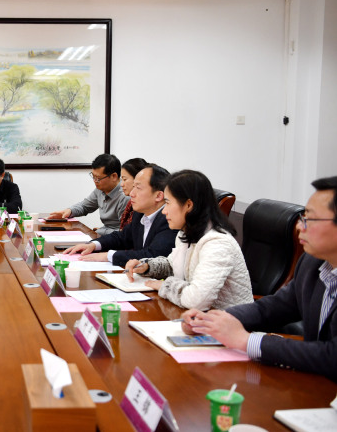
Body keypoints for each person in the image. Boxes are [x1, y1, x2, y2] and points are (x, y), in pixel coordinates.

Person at [182, 176, 337, 381]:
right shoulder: (312, 263)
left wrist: (247, 341)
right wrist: (214, 320)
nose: (300, 227)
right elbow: (274, 307)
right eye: (303, 217)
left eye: (311, 219)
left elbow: (332, 356)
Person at [125, 170, 253, 310]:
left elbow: (196, 300)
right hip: (200, 316)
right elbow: (173, 265)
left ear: (188, 205)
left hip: (230, 320)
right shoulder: (186, 233)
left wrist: (164, 285)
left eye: (167, 203)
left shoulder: (218, 244)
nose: (164, 211)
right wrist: (147, 266)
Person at [65, 164, 177, 265]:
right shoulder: (140, 214)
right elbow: (122, 237)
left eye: (138, 188)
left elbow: (153, 255)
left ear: (158, 196)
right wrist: (93, 245)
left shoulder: (169, 219)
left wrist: (108, 256)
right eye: (133, 187)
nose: (132, 193)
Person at [48, 153, 129, 235]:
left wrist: (102, 231)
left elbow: (124, 233)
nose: (95, 181)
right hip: (106, 234)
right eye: (93, 176)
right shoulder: (100, 190)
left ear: (114, 176)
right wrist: (70, 211)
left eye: (98, 178)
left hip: (116, 239)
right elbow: (85, 206)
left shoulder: (125, 195)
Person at [118, 158, 147, 230]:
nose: (121, 184)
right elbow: (124, 233)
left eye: (125, 179)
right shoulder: (131, 203)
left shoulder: (143, 206)